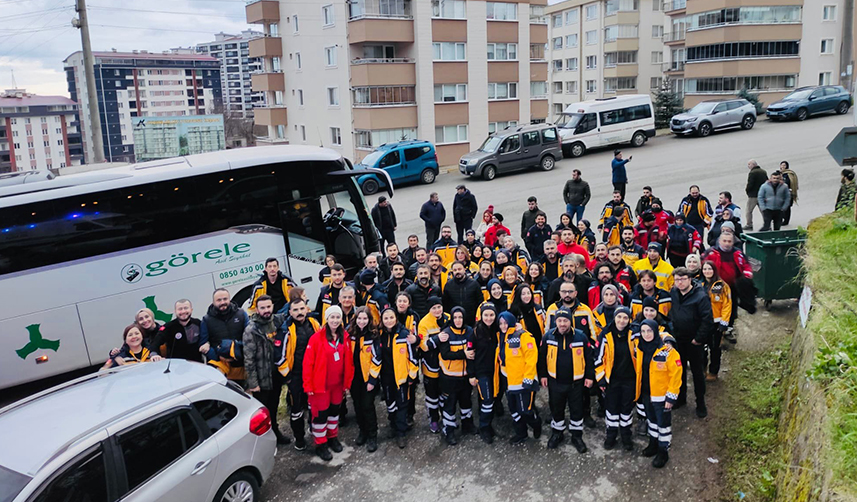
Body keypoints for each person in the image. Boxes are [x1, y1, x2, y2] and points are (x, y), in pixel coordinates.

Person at [539, 308, 594, 452]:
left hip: (576, 383)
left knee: (577, 410)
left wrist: (589, 376)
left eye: (565, 320)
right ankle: (557, 433)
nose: (562, 324)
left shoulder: (581, 337)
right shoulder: (548, 337)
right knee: (556, 409)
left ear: (571, 321)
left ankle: (577, 436)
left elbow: (589, 358)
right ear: (555, 321)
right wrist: (543, 375)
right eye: (559, 320)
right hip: (555, 382)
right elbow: (542, 358)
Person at [302, 306, 352, 461]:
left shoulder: (345, 336)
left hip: (336, 385)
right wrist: (308, 385)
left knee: (333, 413)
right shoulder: (316, 339)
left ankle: (332, 437)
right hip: (320, 387)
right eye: (332, 317)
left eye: (338, 317)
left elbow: (348, 361)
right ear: (326, 319)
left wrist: (346, 383)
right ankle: (320, 444)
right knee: (320, 416)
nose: (335, 320)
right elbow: (308, 363)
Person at [273, 297, 321, 449]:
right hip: (296, 376)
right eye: (295, 310)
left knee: (315, 405)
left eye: (302, 309)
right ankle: (299, 438)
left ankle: (315, 430)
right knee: (297, 410)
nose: (300, 312)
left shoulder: (314, 323)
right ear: (290, 312)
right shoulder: (285, 330)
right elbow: (278, 358)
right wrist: (288, 377)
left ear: (307, 309)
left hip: (314, 374)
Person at [243, 295, 291, 444]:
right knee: (263, 411)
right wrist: (253, 383)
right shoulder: (251, 329)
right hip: (262, 378)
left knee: (275, 405)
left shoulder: (278, 321)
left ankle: (275, 432)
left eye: (268, 307)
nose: (266, 310)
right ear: (257, 309)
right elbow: (248, 359)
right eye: (262, 308)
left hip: (276, 375)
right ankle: (263, 441)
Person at [635, 319, 682, 468]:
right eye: (643, 331)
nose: (646, 334)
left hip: (662, 397)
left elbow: (676, 375)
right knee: (652, 421)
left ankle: (663, 452)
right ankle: (653, 444)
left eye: (649, 331)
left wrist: (671, 396)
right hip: (647, 393)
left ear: (655, 331)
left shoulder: (667, 351)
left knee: (664, 424)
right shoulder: (640, 347)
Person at [369, 307, 418, 448]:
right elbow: (376, 358)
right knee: (390, 403)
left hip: (402, 378)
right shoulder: (378, 336)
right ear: (382, 320)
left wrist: (412, 376)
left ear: (396, 318)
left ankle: (401, 432)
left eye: (391, 317)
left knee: (402, 404)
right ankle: (393, 424)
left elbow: (413, 357)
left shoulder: (404, 334)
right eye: (386, 318)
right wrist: (373, 379)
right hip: (386, 377)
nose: (389, 320)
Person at [669, 267, 715, 418]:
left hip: (694, 342)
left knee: (697, 373)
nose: (680, 283)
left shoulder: (700, 296)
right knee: (679, 371)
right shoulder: (674, 292)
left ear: (690, 279)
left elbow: (707, 320)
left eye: (683, 279)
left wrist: (698, 339)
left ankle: (700, 403)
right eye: (677, 280)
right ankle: (681, 398)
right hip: (678, 339)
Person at [430, 307, 475, 446]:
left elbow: (472, 352)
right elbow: (445, 354)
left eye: (460, 317)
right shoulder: (446, 333)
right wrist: (463, 354)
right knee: (449, 405)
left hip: (465, 376)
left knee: (466, 402)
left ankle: (467, 425)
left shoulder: (469, 331)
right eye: (455, 317)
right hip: (449, 377)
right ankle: (449, 430)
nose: (458, 320)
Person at [595, 306, 637, 451]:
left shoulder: (634, 334)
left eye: (625, 317)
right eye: (619, 317)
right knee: (611, 408)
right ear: (614, 317)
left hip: (630, 379)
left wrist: (668, 341)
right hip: (611, 380)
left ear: (629, 319)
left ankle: (626, 435)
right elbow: (598, 359)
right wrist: (600, 379)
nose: (622, 320)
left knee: (626, 408)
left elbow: (655, 334)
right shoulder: (606, 335)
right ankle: (611, 434)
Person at [498, 311, 542, 444]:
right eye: (500, 323)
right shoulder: (501, 336)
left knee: (525, 410)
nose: (503, 326)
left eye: (505, 323)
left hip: (523, 382)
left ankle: (536, 423)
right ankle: (521, 433)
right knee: (513, 410)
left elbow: (531, 357)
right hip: (509, 380)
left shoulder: (523, 335)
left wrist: (528, 378)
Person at [703, 233, 752, 342]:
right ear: (719, 241)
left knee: (732, 308)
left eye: (729, 241)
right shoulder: (711, 253)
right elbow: (702, 264)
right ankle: (713, 328)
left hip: (732, 286)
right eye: (724, 241)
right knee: (715, 307)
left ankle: (728, 329)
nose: (726, 243)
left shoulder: (738, 253)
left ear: (733, 242)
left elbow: (746, 264)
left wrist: (747, 273)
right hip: (715, 286)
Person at [347, 307, 379, 452]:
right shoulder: (349, 334)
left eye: (365, 318)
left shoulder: (373, 335)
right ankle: (362, 431)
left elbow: (377, 359)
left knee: (367, 406)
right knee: (357, 405)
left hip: (368, 378)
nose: (362, 321)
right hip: (354, 378)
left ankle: (373, 435)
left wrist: (372, 380)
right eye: (359, 318)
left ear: (369, 319)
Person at [418, 297, 449, 433]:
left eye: (439, 307)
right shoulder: (424, 323)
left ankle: (447, 419)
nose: (437, 310)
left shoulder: (448, 317)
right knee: (432, 396)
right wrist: (437, 339)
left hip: (447, 365)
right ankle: (434, 419)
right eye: (434, 308)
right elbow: (423, 346)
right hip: (430, 366)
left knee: (446, 394)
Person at [201, 288, 249, 375]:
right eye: (219, 300)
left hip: (243, 361)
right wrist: (219, 358)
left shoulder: (241, 314)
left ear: (229, 299)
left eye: (225, 299)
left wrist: (237, 351)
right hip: (221, 366)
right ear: (213, 302)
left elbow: (250, 337)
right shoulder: (206, 320)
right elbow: (203, 344)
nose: (222, 302)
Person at [471, 303, 500, 443]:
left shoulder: (499, 329)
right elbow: (470, 355)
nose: (489, 318)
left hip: (496, 370)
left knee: (493, 399)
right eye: (486, 315)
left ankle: (488, 422)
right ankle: (484, 427)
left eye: (491, 315)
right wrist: (472, 375)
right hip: (481, 371)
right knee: (487, 400)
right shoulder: (475, 332)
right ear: (481, 316)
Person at [701, 261, 732, 382]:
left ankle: (713, 372)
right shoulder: (699, 284)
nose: (707, 271)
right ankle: (701, 368)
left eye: (709, 269)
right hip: (702, 322)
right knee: (701, 348)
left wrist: (724, 322)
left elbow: (727, 304)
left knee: (715, 349)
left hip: (716, 323)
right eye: (705, 269)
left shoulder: (722, 286)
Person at [442, 260, 484, 326]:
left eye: (459, 269)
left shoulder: (474, 284)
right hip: (455, 321)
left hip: (471, 321)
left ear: (464, 269)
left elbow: (480, 302)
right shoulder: (448, 285)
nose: (457, 271)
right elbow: (445, 305)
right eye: (455, 270)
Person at [744, 159, 768, 231]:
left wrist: (747, 191)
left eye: (749, 164)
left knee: (749, 210)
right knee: (763, 210)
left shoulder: (752, 173)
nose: (748, 166)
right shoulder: (763, 172)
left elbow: (750, 184)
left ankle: (749, 224)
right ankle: (767, 224)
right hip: (762, 194)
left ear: (753, 165)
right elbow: (767, 182)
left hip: (753, 195)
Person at [779, 161, 798, 226]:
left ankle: (786, 221)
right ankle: (781, 219)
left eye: (784, 165)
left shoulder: (789, 174)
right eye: (781, 165)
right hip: (781, 193)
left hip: (788, 193)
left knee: (787, 208)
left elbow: (790, 182)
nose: (782, 167)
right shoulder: (779, 174)